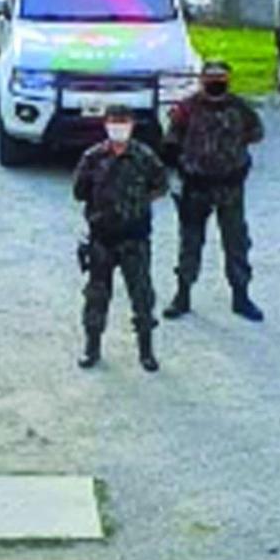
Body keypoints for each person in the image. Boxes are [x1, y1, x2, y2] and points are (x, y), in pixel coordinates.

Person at [161, 61, 264, 322]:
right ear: (202, 80)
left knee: (236, 243)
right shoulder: (187, 108)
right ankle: (182, 294)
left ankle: (241, 296)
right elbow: (171, 142)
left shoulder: (240, 108)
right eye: (211, 78)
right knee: (190, 243)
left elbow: (256, 133)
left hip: (230, 186)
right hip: (196, 187)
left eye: (221, 78)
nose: (216, 83)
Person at [72, 105, 169, 371]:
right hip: (102, 239)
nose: (119, 126)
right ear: (105, 124)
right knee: (96, 297)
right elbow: (79, 191)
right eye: (114, 121)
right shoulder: (92, 157)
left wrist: (137, 201)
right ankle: (92, 348)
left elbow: (161, 184)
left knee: (142, 296)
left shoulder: (144, 156)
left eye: (123, 121)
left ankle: (146, 351)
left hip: (134, 239)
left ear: (132, 124)